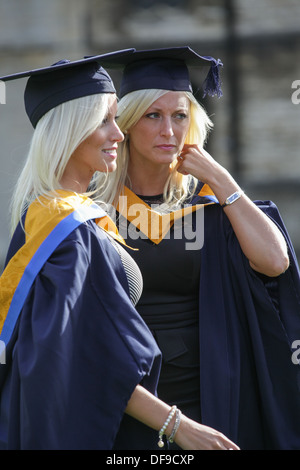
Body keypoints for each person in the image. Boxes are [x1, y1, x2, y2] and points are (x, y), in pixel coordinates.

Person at [0, 51, 239, 451]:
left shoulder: (72, 216)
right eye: (104, 121)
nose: (118, 134)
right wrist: (178, 426)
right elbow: (86, 357)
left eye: (117, 119)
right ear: (70, 131)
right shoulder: (62, 230)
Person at [97, 46, 300, 450]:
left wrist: (222, 181)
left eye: (179, 116)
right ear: (127, 125)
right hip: (123, 393)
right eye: (153, 116)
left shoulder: (208, 204)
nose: (168, 131)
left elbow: (276, 263)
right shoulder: (92, 208)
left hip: (208, 395)